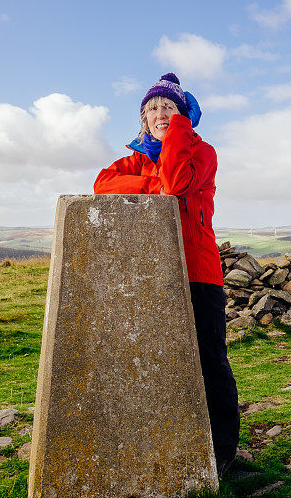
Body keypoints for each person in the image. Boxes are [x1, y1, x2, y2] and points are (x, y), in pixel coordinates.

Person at [93, 73, 240, 474]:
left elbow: (175, 182)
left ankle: (223, 453)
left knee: (211, 361)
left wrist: (179, 129)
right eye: (153, 108)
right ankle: (174, 441)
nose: (160, 113)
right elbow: (102, 184)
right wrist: (151, 181)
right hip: (154, 274)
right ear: (143, 117)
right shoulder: (136, 159)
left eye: (169, 107)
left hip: (199, 273)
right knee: (160, 360)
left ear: (184, 115)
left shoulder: (201, 150)